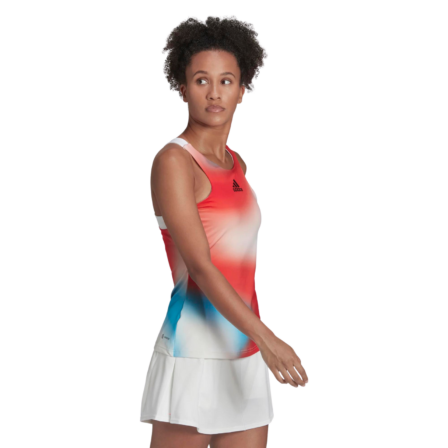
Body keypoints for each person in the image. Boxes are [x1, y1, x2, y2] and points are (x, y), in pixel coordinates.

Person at [140, 16, 308, 448]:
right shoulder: (174, 162)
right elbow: (200, 266)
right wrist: (268, 337)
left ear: (242, 89)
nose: (214, 93)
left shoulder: (238, 164)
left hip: (245, 351)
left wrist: (257, 340)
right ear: (182, 87)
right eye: (201, 80)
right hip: (193, 351)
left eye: (226, 81)